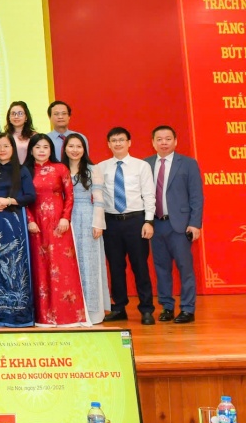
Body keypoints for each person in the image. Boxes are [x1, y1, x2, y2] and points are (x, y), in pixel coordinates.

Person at [25, 134, 87, 326]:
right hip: (37, 226)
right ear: (31, 150)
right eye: (37, 147)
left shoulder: (60, 168)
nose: (42, 151)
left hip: (59, 225)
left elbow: (69, 196)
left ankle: (68, 315)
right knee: (41, 267)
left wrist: (65, 218)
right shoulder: (25, 171)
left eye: (46, 147)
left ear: (51, 150)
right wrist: (30, 220)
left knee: (62, 267)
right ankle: (44, 316)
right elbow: (22, 198)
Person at [96, 127, 156, 325]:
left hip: (135, 221)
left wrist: (148, 221)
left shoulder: (141, 166)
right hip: (111, 223)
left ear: (129, 142)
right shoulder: (101, 167)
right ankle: (119, 307)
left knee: (140, 266)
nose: (118, 143)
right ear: (108, 144)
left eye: (121, 140)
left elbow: (149, 195)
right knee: (115, 267)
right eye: (114, 140)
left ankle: (146, 309)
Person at [146, 126, 204, 324]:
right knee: (161, 268)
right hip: (155, 224)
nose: (164, 142)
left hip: (180, 225)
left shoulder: (188, 164)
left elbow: (196, 196)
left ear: (175, 141)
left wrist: (195, 224)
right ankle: (167, 307)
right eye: (159, 139)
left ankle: (187, 308)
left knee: (185, 268)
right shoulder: (145, 164)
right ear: (153, 142)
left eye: (168, 138)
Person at [0, 133, 36, 327]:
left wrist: (9, 200)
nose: (2, 150)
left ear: (13, 148)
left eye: (6, 146)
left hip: (14, 219)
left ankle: (20, 314)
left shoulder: (22, 170)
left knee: (16, 263)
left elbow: (30, 196)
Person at [64, 134, 109, 325]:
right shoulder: (60, 168)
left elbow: (99, 199)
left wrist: (98, 223)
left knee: (90, 264)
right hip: (66, 219)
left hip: (88, 217)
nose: (75, 150)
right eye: (71, 146)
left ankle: (92, 311)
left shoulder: (93, 169)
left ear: (84, 149)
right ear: (65, 148)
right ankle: (71, 309)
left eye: (79, 146)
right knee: (69, 263)